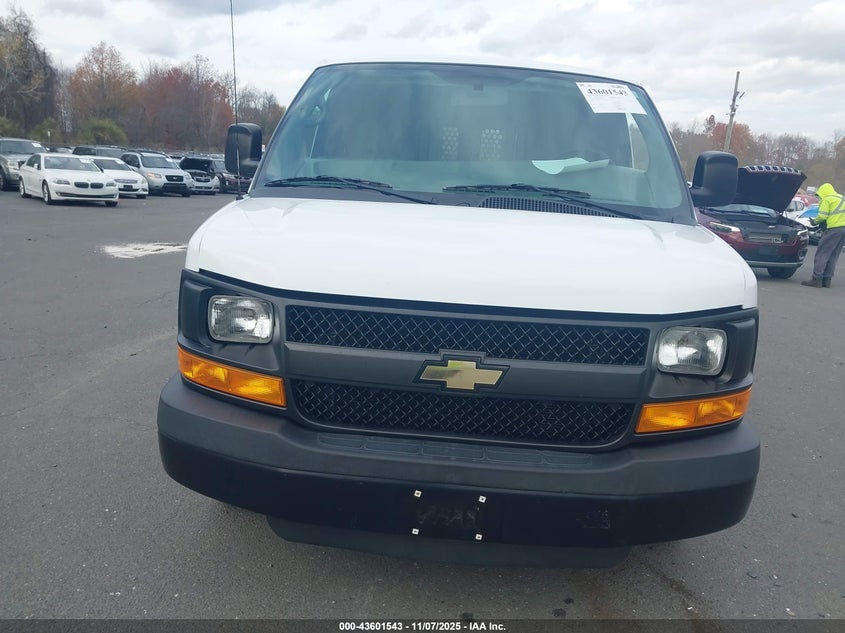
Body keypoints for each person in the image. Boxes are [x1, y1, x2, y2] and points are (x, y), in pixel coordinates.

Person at [801, 182, 845, 288]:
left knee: (822, 254)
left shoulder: (827, 199)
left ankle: (817, 279)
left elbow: (822, 216)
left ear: (823, 192)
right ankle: (827, 280)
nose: (819, 198)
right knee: (833, 255)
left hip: (833, 229)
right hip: (843, 230)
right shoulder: (842, 198)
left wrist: (814, 222)